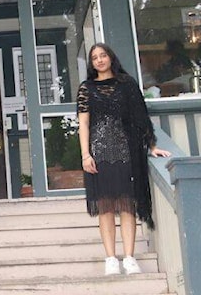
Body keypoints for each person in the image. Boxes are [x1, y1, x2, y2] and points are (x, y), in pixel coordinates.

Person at [77, 43, 171, 277]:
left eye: (103, 55)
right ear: (91, 63)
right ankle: (110, 258)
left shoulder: (126, 84)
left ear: (111, 57)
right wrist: (85, 154)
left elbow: (140, 117)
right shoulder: (86, 88)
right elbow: (84, 124)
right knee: (105, 207)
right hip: (99, 155)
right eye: (95, 57)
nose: (99, 60)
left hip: (127, 152)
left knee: (128, 206)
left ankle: (129, 258)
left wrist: (151, 146)